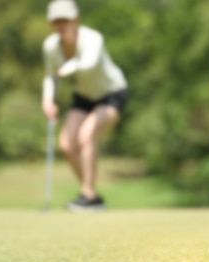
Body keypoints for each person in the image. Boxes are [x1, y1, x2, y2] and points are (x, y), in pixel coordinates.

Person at [42, 0, 129, 211]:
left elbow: (89, 65)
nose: (61, 25)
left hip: (112, 94)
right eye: (56, 21)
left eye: (65, 20)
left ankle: (88, 195)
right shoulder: (51, 46)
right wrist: (47, 100)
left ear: (76, 20)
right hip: (84, 96)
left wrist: (69, 67)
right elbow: (50, 76)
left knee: (86, 136)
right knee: (66, 144)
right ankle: (91, 194)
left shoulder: (93, 38)